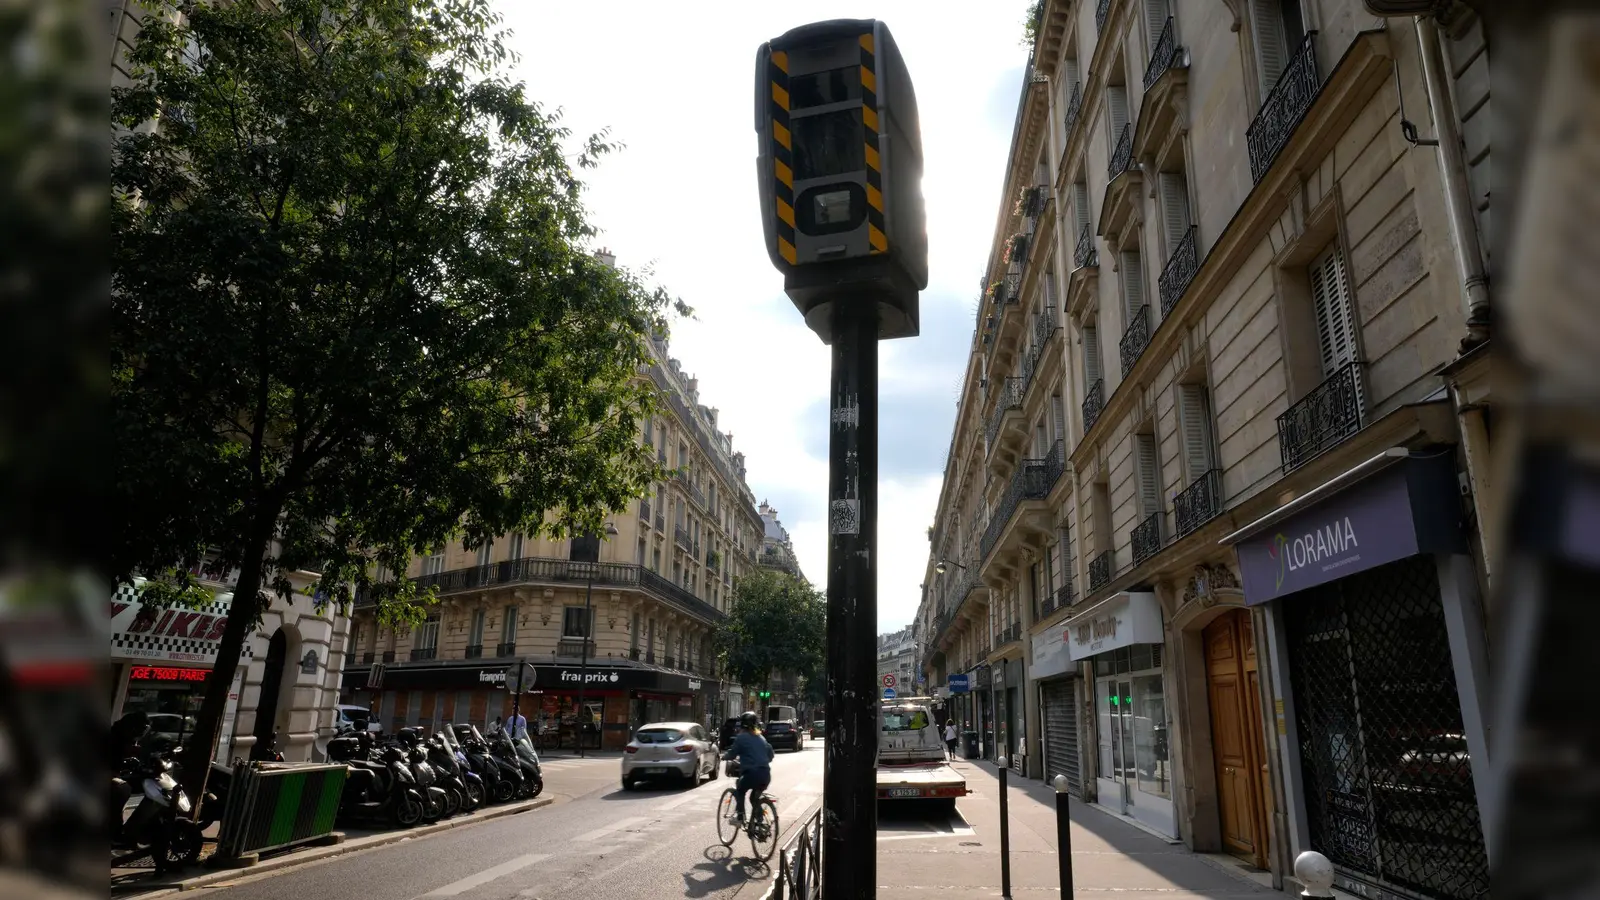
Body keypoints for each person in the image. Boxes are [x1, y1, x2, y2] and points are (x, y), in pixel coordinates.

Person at [722, 711, 774, 824]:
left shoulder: (741, 737)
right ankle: (760, 823)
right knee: (754, 798)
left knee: (740, 790)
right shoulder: (761, 737)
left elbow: (732, 753)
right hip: (765, 774)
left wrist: (724, 757)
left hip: (751, 774)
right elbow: (770, 755)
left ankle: (740, 817)